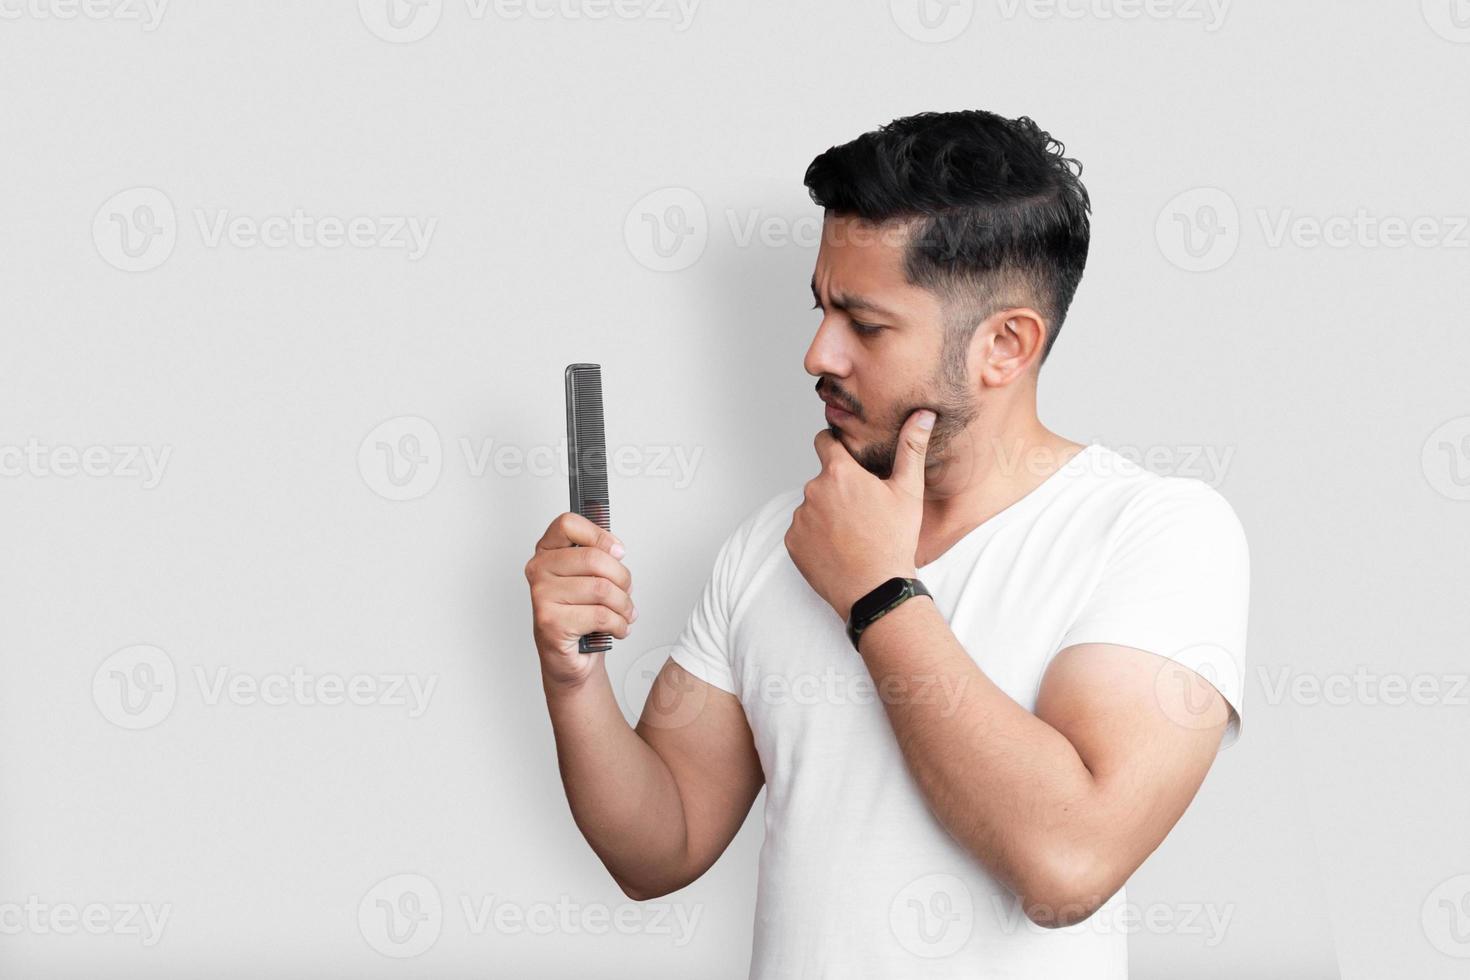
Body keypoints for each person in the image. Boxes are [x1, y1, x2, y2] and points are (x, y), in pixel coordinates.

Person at [525, 108, 1250, 978]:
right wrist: (574, 678)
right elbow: (660, 847)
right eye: (821, 307)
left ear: (1005, 345)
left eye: (864, 325)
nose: (815, 353)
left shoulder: (1153, 531)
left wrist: (877, 593)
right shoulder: (775, 543)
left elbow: (1068, 865)